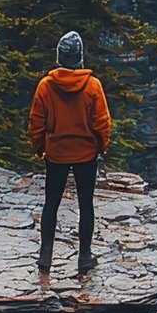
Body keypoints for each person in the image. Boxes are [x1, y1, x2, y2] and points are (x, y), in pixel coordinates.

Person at [29, 30, 111, 274]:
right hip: (86, 154)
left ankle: (46, 254)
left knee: (51, 203)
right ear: (79, 57)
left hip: (56, 153)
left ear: (59, 57)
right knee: (86, 204)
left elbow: (36, 122)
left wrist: (40, 148)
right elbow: (102, 122)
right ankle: (84, 257)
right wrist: (101, 147)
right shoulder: (92, 85)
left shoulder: (46, 86)